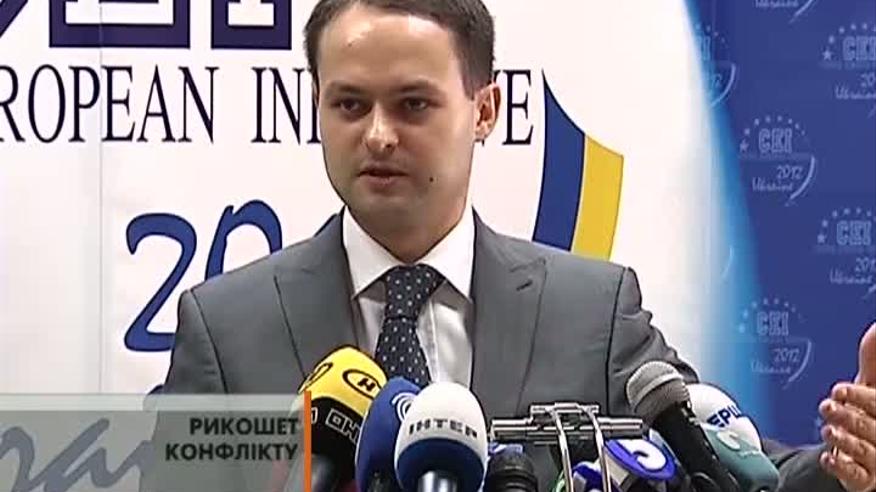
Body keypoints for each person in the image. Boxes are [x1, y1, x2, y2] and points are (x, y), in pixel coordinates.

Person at [159, 0, 876, 490]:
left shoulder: (593, 313)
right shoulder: (226, 328)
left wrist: (848, 469)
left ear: (485, 110)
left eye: (412, 104)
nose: (377, 135)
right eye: (349, 104)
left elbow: (730, 468)